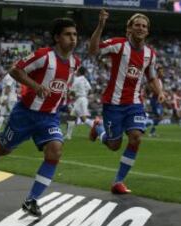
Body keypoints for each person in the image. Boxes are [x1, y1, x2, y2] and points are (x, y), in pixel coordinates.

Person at [0, 18, 80, 217]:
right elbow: (15, 70)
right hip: (24, 114)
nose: (73, 38)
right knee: (4, 148)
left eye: (75, 34)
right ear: (57, 37)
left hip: (49, 117)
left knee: (55, 151)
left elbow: (60, 86)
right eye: (68, 34)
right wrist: (35, 86)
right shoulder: (43, 55)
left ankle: (31, 200)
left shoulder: (75, 63)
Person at [88, 9, 165, 194]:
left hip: (135, 104)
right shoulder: (118, 45)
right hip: (113, 104)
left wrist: (160, 92)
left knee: (136, 137)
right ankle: (98, 128)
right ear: (129, 29)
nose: (140, 28)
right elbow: (93, 50)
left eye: (144, 26)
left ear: (147, 31)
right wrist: (100, 25)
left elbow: (152, 77)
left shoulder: (150, 54)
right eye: (137, 25)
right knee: (114, 145)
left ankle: (118, 181)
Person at [65, 66, 95, 140]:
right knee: (71, 117)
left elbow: (72, 92)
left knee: (83, 119)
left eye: (77, 71)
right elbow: (90, 90)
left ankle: (99, 130)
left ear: (79, 72)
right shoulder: (85, 79)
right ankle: (68, 136)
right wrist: (84, 95)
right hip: (82, 99)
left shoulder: (77, 79)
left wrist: (68, 93)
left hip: (80, 100)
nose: (76, 72)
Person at [0, 73, 18, 137]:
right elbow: (8, 87)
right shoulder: (11, 76)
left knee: (4, 115)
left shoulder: (6, 76)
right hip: (10, 98)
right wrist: (5, 98)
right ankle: (7, 133)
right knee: (9, 115)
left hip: (7, 97)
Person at [148, 66, 165, 137]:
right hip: (155, 100)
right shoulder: (155, 80)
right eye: (161, 71)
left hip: (158, 100)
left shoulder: (160, 81)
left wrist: (162, 95)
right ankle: (150, 130)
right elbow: (151, 87)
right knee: (159, 116)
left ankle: (151, 130)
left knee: (159, 117)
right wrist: (159, 94)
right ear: (158, 72)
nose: (162, 73)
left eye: (163, 71)